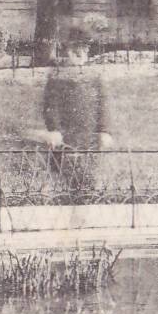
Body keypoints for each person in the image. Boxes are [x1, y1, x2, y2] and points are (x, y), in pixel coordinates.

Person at [32, 26, 114, 200]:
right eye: (75, 50)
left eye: (84, 50)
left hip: (89, 133)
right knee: (62, 172)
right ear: (67, 51)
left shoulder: (95, 77)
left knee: (90, 174)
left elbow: (102, 104)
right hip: (65, 133)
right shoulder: (58, 76)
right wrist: (54, 129)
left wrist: (104, 130)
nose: (80, 54)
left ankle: (90, 196)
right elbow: (51, 105)